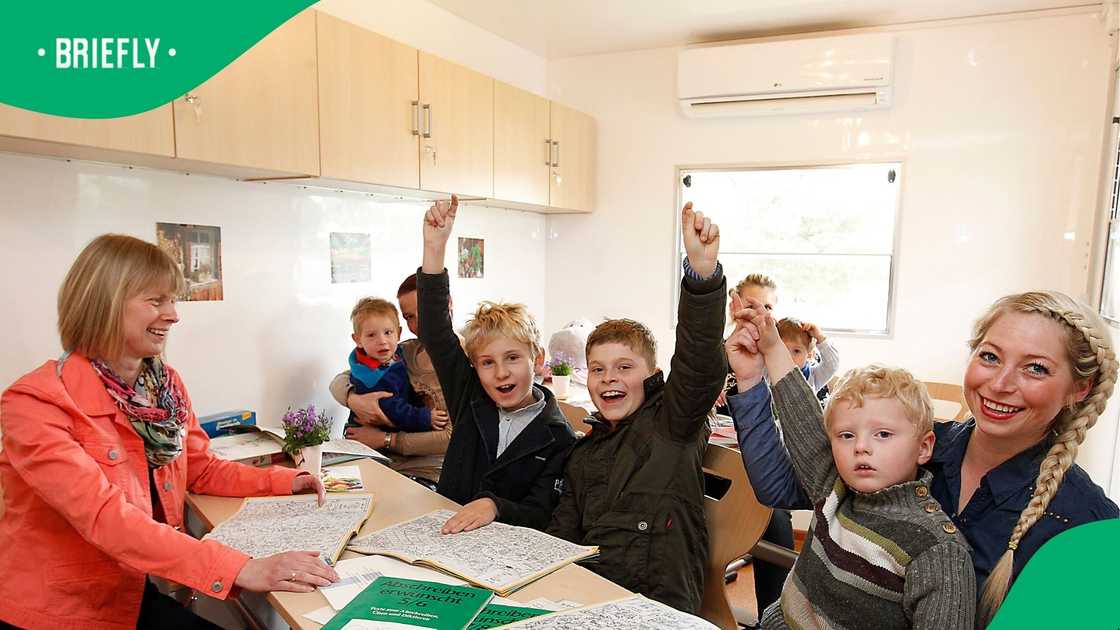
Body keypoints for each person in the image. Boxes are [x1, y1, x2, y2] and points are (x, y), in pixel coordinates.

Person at [0, 234, 338, 630]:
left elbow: (201, 468)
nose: (174, 315)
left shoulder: (163, 386)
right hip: (63, 610)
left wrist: (284, 481)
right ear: (105, 304)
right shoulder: (35, 402)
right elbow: (107, 517)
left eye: (173, 300)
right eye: (157, 300)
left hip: (130, 594)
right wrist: (242, 569)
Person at [728, 290, 1120, 625]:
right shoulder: (909, 448)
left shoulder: (1087, 528)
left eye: (1035, 368)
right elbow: (787, 481)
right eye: (990, 357)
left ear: (1079, 389)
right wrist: (750, 380)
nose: (1000, 384)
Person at [728, 298, 975, 628]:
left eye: (883, 434)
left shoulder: (937, 551)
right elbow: (802, 418)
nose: (861, 447)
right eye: (846, 435)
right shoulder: (834, 487)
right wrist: (771, 345)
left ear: (924, 447)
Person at [547, 202, 727, 615]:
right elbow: (563, 532)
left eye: (624, 367)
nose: (609, 378)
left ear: (652, 376)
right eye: (598, 369)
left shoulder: (672, 424)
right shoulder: (584, 452)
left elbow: (698, 361)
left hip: (654, 605)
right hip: (586, 597)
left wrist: (701, 279)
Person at [418, 196, 577, 533]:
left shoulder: (559, 437)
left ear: (538, 358)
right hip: (444, 537)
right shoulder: (470, 394)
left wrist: (495, 505)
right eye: (487, 362)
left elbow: (541, 513)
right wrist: (434, 248)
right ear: (474, 367)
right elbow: (434, 330)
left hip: (505, 559)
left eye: (513, 358)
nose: (501, 372)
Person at [331, 276, 455, 486]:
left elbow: (452, 439)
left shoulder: (468, 358)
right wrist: (354, 400)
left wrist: (386, 439)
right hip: (382, 459)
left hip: (426, 470)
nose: (419, 324)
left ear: (448, 304)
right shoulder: (403, 350)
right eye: (409, 317)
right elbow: (340, 380)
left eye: (423, 312)